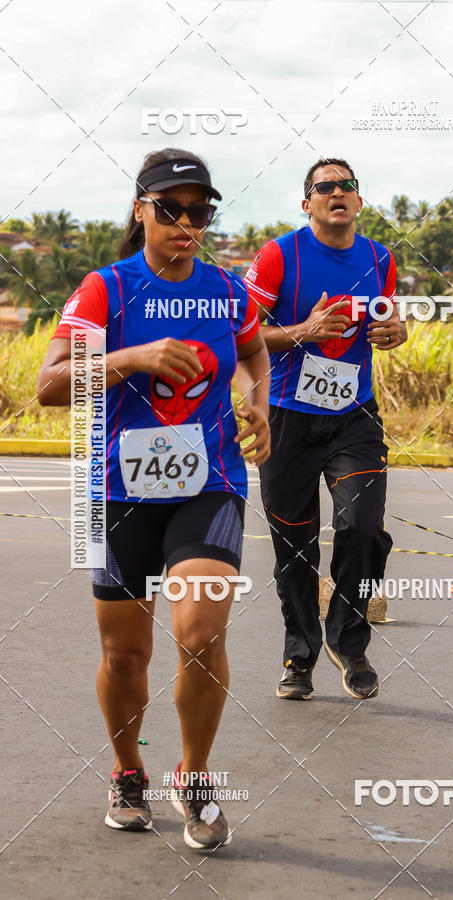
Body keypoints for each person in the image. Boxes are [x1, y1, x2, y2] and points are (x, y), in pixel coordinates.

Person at [37, 148, 271, 850]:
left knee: (200, 636)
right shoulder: (107, 289)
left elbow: (255, 352)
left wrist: (258, 403)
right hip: (119, 492)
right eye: (170, 208)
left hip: (212, 482)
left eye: (200, 211)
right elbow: (48, 386)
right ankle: (126, 769)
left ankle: (194, 782)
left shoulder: (228, 291)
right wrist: (128, 359)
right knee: (125, 657)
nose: (186, 222)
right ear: (140, 209)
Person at [243, 157, 406, 701]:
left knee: (362, 527)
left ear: (359, 200)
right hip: (288, 416)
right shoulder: (278, 256)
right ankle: (300, 654)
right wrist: (304, 330)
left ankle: (349, 641)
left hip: (353, 415)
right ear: (307, 202)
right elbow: (240, 337)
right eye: (324, 187)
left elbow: (386, 320)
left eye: (347, 186)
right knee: (295, 547)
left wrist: (394, 330)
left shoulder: (380, 258)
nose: (337, 192)